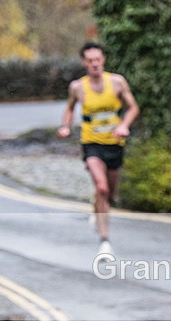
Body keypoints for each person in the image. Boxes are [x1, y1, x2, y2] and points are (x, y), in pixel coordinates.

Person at [57, 42, 139, 258]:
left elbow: (133, 107)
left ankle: (98, 208)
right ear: (84, 63)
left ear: (103, 60)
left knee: (109, 194)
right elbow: (69, 108)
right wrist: (65, 126)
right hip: (91, 144)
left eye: (98, 60)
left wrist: (124, 125)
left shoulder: (117, 82)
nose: (94, 64)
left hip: (114, 144)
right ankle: (105, 241)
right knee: (101, 187)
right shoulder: (78, 87)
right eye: (90, 61)